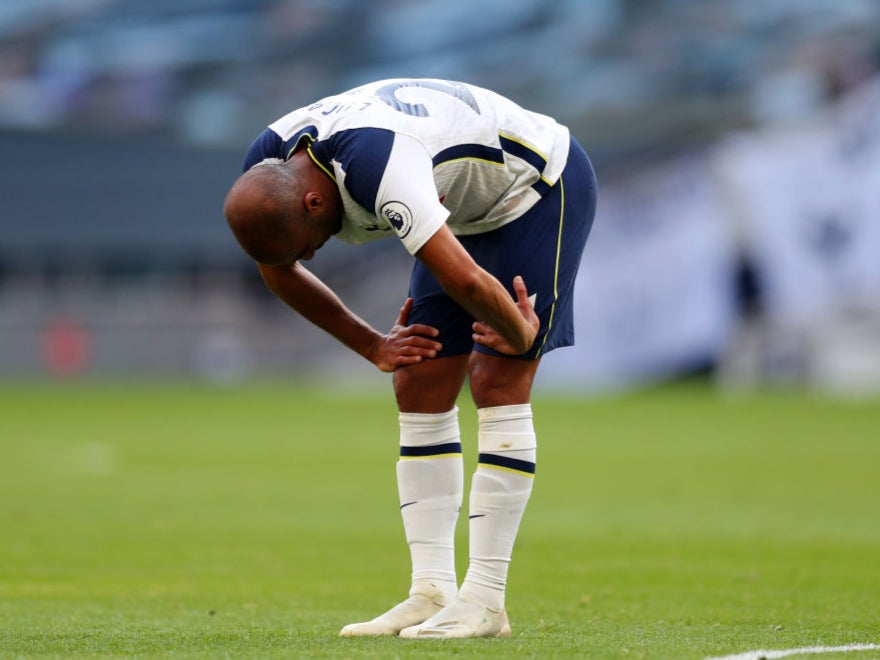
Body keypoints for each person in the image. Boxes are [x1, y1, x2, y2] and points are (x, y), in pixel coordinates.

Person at [223, 78, 597, 639]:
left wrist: (521, 331)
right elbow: (278, 271)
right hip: (461, 214)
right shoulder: (268, 165)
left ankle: (486, 600)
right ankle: (431, 591)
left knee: (496, 377)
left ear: (314, 201)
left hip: (534, 189)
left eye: (305, 243)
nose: (307, 255)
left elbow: (465, 277)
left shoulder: (377, 167)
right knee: (418, 382)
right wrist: (372, 345)